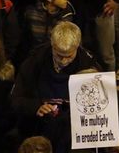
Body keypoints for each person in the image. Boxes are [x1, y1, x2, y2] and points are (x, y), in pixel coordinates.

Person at [11, 22, 99, 151]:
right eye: (59, 55)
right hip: (38, 130)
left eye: (69, 56)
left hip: (74, 134)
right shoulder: (34, 62)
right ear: (52, 45)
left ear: (77, 47)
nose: (63, 61)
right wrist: (36, 107)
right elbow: (15, 99)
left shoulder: (89, 67)